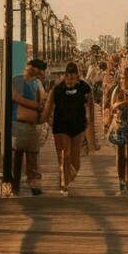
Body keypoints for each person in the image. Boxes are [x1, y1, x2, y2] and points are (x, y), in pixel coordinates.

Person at [43, 62, 94, 196]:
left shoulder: (85, 87)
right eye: (68, 76)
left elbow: (90, 107)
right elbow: (49, 105)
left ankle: (67, 178)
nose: (70, 79)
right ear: (65, 75)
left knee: (75, 159)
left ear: (77, 76)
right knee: (65, 155)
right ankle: (63, 183)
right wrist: (42, 120)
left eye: (73, 76)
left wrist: (91, 134)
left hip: (78, 125)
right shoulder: (57, 88)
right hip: (61, 125)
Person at [10, 59, 47, 196]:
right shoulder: (18, 80)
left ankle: (31, 186)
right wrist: (35, 106)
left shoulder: (36, 83)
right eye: (39, 69)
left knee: (31, 157)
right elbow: (15, 97)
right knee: (16, 158)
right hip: (17, 122)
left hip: (29, 125)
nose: (40, 72)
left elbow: (40, 101)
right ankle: (14, 188)